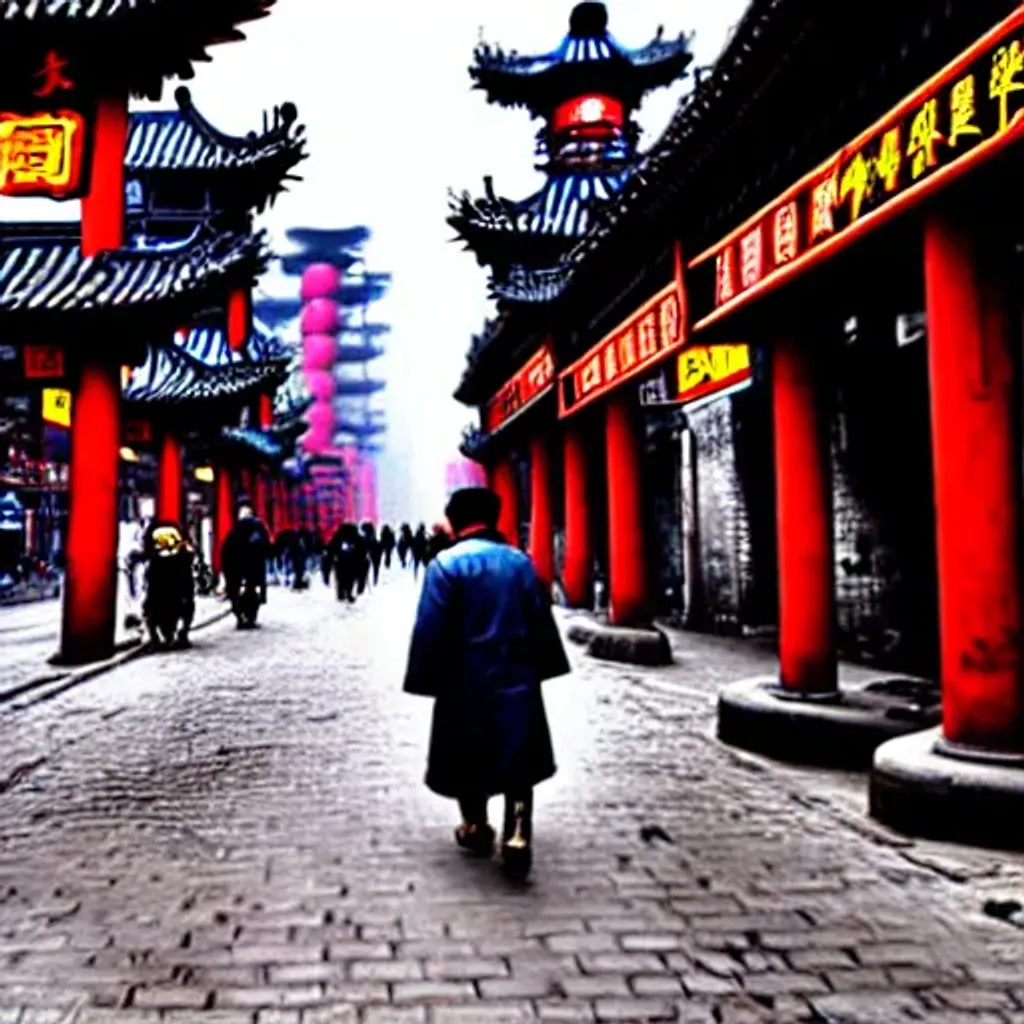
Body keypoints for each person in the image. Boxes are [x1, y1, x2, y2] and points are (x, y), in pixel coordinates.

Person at [402, 487, 570, 880]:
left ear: (457, 519)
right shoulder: (520, 563)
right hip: (517, 673)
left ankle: (475, 825)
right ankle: (517, 834)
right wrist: (544, 666)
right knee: (519, 756)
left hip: (464, 677)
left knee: (467, 752)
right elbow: (539, 619)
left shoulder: (445, 565)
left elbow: (431, 628)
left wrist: (426, 676)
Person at [220, 505, 272, 627]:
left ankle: (240, 615)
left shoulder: (234, 531)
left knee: (236, 592)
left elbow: (226, 550)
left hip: (236, 566)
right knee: (252, 589)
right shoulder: (258, 528)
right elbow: (266, 546)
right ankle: (249, 617)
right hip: (253, 566)